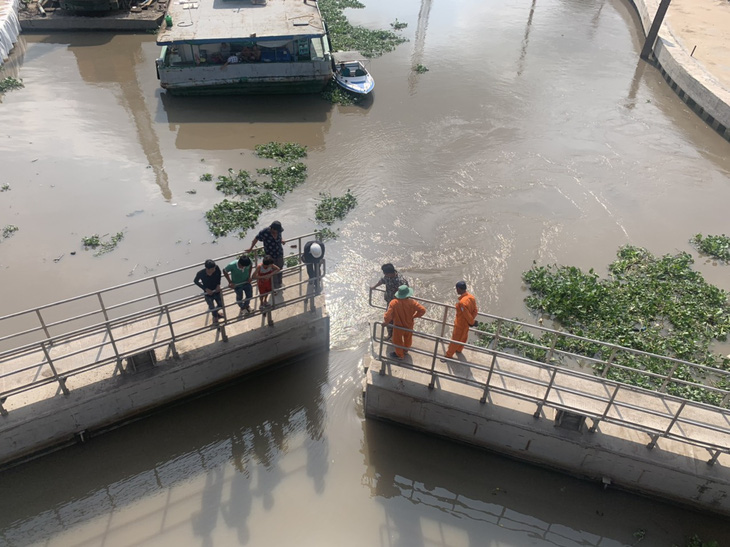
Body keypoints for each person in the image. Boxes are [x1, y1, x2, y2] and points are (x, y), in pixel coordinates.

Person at [383, 285, 426, 359]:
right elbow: (423, 310)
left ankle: (400, 355)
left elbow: (388, 315)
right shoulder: (413, 303)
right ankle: (406, 350)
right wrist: (415, 316)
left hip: (398, 326)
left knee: (397, 341)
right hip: (409, 325)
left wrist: (386, 322)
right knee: (408, 339)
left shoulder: (393, 303)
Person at [371, 263, 408, 339]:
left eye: (385, 273)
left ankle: (395, 336)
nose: (384, 274)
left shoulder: (401, 281)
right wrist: (374, 287)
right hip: (389, 302)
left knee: (397, 320)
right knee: (388, 318)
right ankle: (390, 335)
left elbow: (406, 292)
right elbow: (382, 281)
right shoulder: (387, 277)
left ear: (390, 273)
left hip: (398, 304)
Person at [444, 281, 479, 359]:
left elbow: (466, 315)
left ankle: (448, 355)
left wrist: (472, 322)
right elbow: (475, 310)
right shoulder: (471, 297)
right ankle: (459, 350)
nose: (456, 291)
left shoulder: (462, 303)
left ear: (459, 289)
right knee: (463, 338)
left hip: (460, 324)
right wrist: (471, 321)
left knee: (455, 340)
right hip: (466, 324)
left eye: (457, 289)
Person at [247, 221, 285, 290]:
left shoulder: (279, 231)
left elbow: (280, 237)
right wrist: (251, 248)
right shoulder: (264, 232)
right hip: (270, 256)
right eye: (276, 231)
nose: (277, 232)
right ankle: (275, 287)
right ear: (272, 229)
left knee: (280, 268)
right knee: (273, 271)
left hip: (279, 253)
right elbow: (256, 239)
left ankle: (280, 283)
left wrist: (282, 240)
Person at [194, 259, 224, 324]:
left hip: (216, 290)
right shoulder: (201, 273)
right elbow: (196, 281)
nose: (214, 270)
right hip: (208, 294)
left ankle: (215, 313)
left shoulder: (216, 268)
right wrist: (205, 289)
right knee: (211, 307)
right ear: (207, 269)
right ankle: (215, 317)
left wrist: (218, 284)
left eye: (214, 268)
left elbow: (219, 274)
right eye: (212, 269)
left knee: (221, 304)